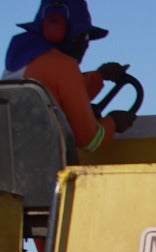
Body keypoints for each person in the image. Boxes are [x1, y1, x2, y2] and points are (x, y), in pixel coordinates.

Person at [4, 1, 133, 154]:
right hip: (45, 168)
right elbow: (90, 141)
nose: (86, 44)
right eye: (83, 36)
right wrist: (114, 122)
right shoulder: (64, 66)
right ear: (58, 32)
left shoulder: (21, 62)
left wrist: (99, 76)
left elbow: (56, 95)